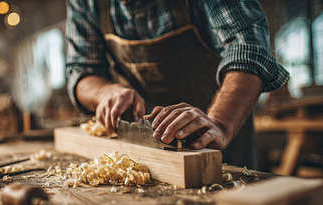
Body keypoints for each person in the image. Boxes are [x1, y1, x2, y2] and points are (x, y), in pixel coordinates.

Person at [65, 0, 289, 170]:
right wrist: (107, 92)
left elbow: (248, 48)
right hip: (139, 160)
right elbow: (81, 71)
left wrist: (219, 123)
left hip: (222, 146)